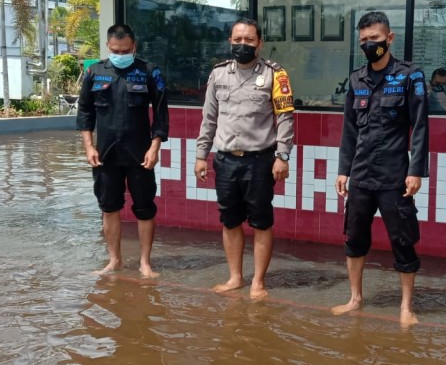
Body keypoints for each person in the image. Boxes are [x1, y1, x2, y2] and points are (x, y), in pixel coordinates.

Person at [333, 11, 429, 327]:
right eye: (363, 40)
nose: (369, 44)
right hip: (360, 175)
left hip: (394, 177)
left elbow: (420, 127)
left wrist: (416, 170)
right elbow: (349, 129)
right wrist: (343, 169)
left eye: (374, 39)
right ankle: (355, 298)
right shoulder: (356, 79)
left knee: (402, 240)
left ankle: (405, 308)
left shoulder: (410, 76)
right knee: (354, 237)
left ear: (389, 39)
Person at [194, 18, 295, 300]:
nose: (243, 45)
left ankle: (258, 282)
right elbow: (209, 118)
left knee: (261, 222)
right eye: (237, 40)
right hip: (225, 161)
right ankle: (235, 277)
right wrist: (201, 155)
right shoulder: (218, 74)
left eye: (249, 40)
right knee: (229, 221)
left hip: (260, 161)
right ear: (230, 41)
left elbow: (284, 118)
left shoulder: (277, 75)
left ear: (259, 43)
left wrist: (282, 155)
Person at [77, 24, 169, 276]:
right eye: (116, 50)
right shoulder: (94, 72)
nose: (121, 53)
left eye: (126, 49)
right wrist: (88, 146)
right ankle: (114, 260)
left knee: (144, 207)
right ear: (108, 46)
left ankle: (145, 263)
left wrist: (155, 147)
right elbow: (85, 112)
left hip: (140, 154)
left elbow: (161, 114)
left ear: (134, 46)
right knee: (109, 207)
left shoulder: (149, 72)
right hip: (105, 155)